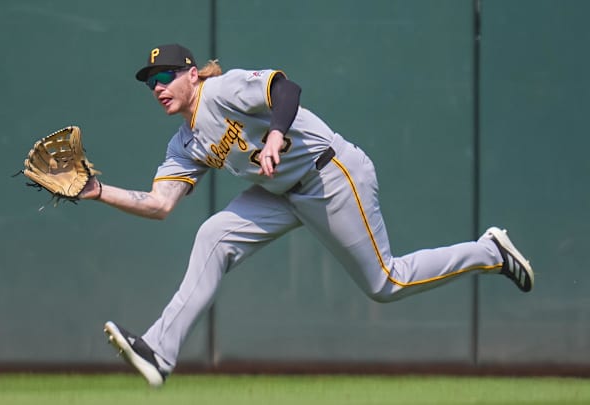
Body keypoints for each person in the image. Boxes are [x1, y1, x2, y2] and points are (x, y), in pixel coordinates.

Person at [77, 43, 534, 387]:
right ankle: (158, 350)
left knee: (385, 283)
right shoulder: (183, 143)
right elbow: (159, 205)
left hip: (330, 173)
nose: (157, 86)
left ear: (192, 75)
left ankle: (488, 251)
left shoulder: (221, 90)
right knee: (213, 234)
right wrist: (95, 190)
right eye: (150, 80)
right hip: (277, 192)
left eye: (165, 75)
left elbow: (285, 88)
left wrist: (275, 136)